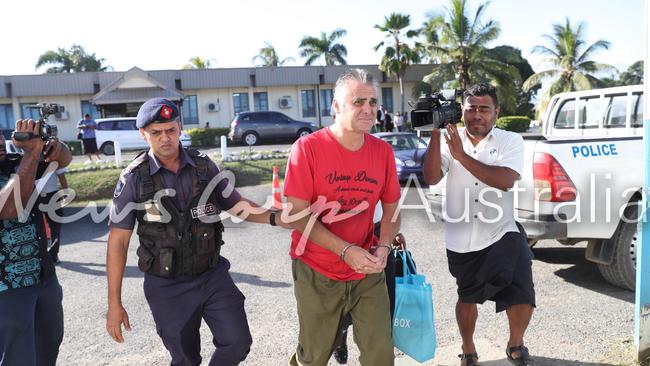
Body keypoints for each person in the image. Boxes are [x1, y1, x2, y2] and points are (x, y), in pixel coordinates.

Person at [106, 98, 290, 366]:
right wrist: (114, 304)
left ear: (180, 127)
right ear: (143, 134)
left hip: (211, 276)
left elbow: (236, 205)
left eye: (171, 130)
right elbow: (118, 243)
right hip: (166, 286)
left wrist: (276, 218)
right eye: (156, 133)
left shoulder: (204, 167)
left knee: (237, 341)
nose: (165, 138)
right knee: (185, 359)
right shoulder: (133, 179)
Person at [283, 68, 401, 366]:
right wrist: (345, 250)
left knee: (380, 353)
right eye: (358, 101)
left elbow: (392, 208)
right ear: (336, 106)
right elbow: (297, 215)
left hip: (367, 269)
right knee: (315, 354)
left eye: (373, 102)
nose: (368, 109)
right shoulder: (307, 149)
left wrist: (384, 246)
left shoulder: (383, 151)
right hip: (316, 268)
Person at [422, 83, 534, 366]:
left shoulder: (510, 141)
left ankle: (515, 343)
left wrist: (461, 156)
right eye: (471, 108)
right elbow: (432, 177)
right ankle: (468, 348)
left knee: (521, 290)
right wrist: (434, 133)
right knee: (467, 296)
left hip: (502, 232)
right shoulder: (450, 137)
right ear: (462, 110)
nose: (477, 115)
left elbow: (506, 180)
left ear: (496, 112)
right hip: (461, 237)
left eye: (484, 109)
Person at [0, 120, 72, 366]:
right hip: (7, 288)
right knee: (16, 358)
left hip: (44, 278)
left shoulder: (14, 163)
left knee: (47, 350)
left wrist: (49, 143)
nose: (0, 141)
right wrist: (31, 152)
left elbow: (64, 159)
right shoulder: (23, 163)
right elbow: (9, 208)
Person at [332, 222, 407, 364]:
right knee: (343, 304)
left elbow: (388, 204)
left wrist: (391, 233)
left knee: (384, 312)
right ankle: (339, 331)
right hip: (340, 235)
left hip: (377, 233)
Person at [36, 166, 68, 264]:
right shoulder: (27, 157)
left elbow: (61, 175)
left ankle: (52, 255)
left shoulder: (51, 156)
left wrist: (66, 192)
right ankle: (47, 255)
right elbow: (61, 176)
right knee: (42, 227)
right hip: (38, 196)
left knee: (53, 227)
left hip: (47, 196)